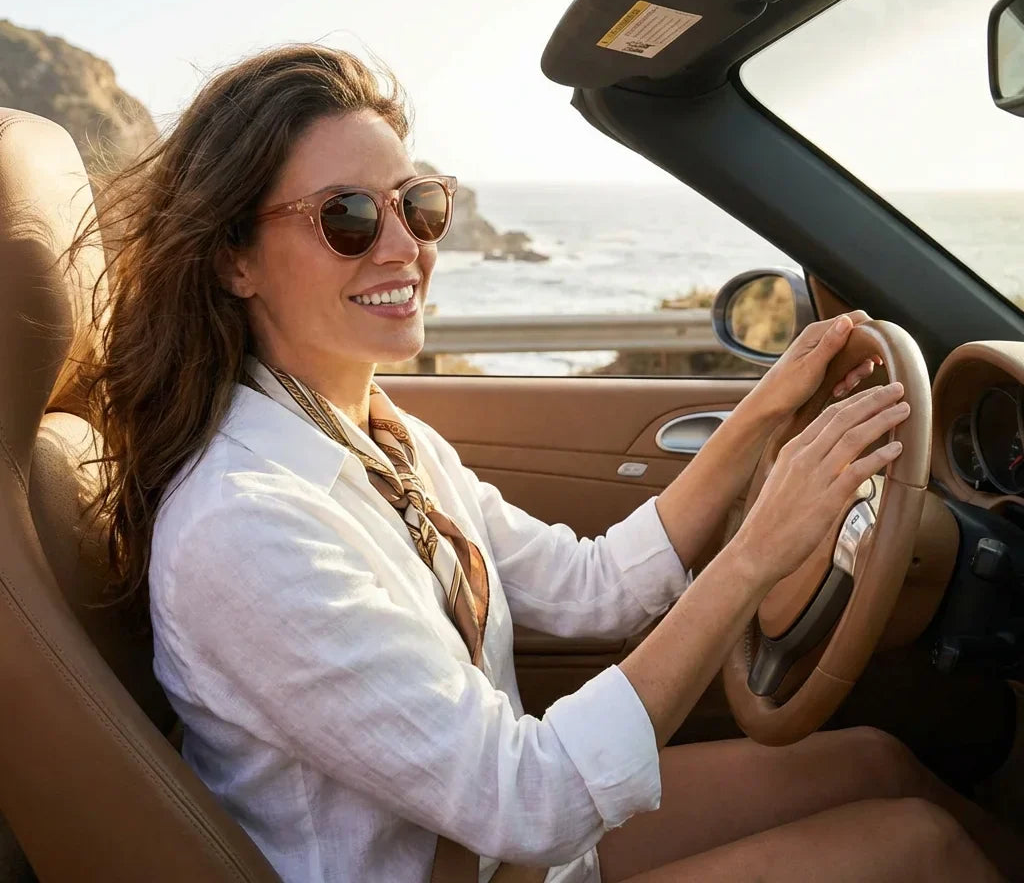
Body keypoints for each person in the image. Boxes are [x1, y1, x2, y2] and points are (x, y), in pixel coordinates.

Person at [73, 44, 1021, 883]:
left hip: (504, 856)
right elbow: (526, 795)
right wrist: (759, 552)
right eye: (349, 217)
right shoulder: (246, 524)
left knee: (878, 766)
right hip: (496, 847)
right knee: (917, 851)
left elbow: (592, 583)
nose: (405, 245)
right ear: (235, 257)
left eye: (420, 203)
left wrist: (766, 409)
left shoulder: (373, 437)